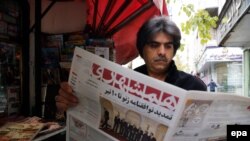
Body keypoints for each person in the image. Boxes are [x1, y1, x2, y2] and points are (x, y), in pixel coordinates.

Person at [55, 15, 207, 117]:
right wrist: (71, 105)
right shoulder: (121, 83)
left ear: (174, 50)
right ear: (142, 50)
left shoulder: (194, 87)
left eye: (168, 46)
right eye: (154, 45)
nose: (162, 52)